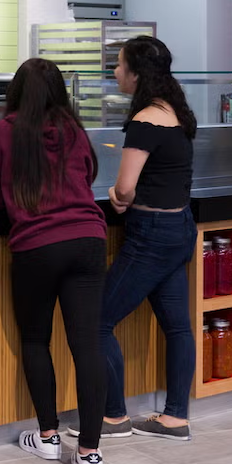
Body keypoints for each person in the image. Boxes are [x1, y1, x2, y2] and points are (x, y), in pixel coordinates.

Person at [0, 58, 108, 464]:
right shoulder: (73, 129)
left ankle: (50, 438)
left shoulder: (2, 132)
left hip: (36, 245)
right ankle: (90, 454)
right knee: (87, 345)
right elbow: (89, 175)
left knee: (37, 340)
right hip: (89, 239)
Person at [91, 35, 198, 441]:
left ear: (136, 74)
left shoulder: (145, 120)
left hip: (151, 235)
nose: (115, 72)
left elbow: (124, 188)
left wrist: (119, 199)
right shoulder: (176, 112)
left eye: (119, 66)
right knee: (178, 327)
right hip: (180, 228)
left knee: (97, 319)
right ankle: (174, 418)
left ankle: (114, 418)